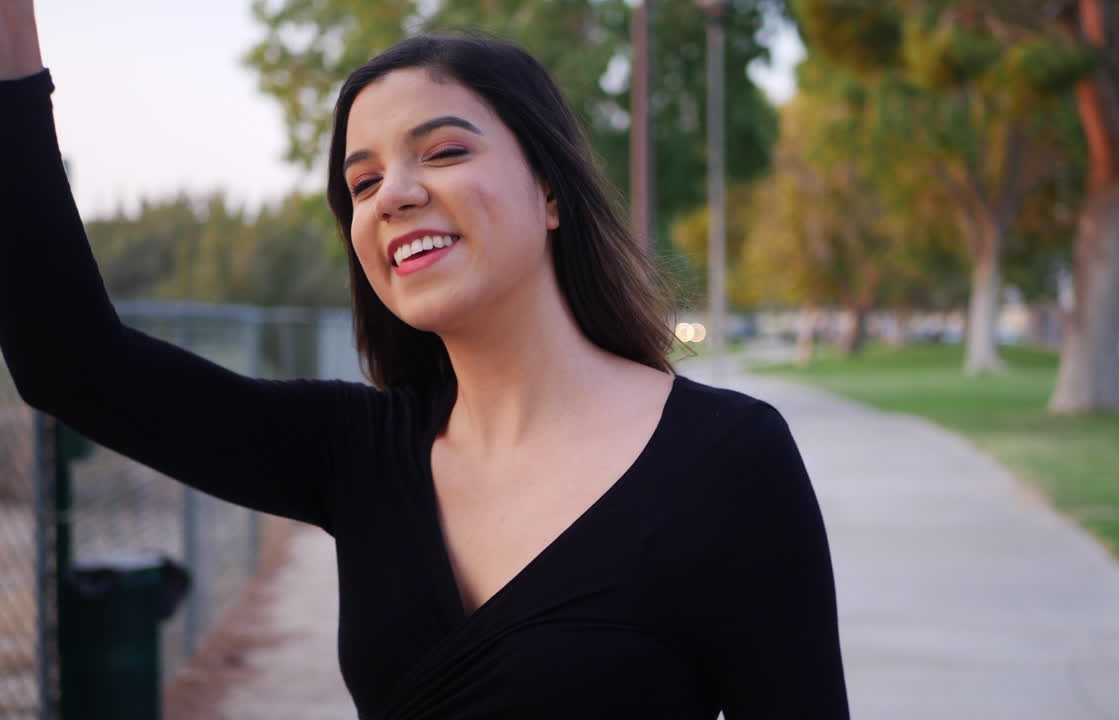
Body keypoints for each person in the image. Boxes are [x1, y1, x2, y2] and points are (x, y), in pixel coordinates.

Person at [0, 3, 849, 717]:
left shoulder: (729, 459)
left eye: (442, 152)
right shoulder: (357, 453)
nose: (394, 195)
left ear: (550, 192)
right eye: (361, 184)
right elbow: (69, 363)